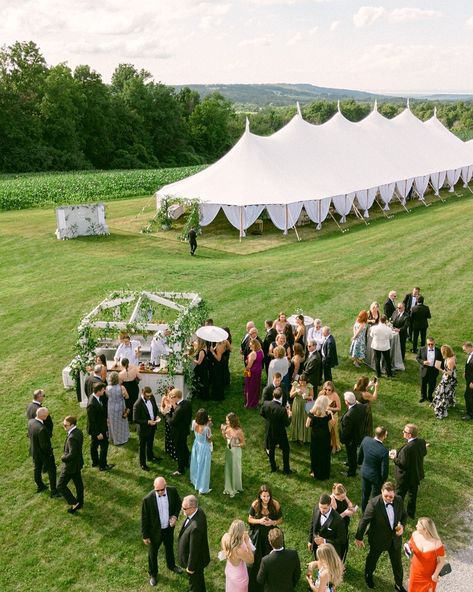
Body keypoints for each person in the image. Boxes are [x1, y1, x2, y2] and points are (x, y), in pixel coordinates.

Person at [354, 481, 407, 592]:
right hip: (378, 538)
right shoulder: (373, 503)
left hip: (394, 539)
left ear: (395, 494)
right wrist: (359, 537)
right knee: (373, 558)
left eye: (391, 496)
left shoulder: (399, 500)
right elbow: (364, 521)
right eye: (386, 496)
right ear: (381, 492)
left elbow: (404, 515)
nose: (388, 498)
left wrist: (402, 526)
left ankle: (398, 584)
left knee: (397, 563)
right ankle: (368, 575)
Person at [141, 476, 183, 587]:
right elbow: (144, 519)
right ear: (154, 488)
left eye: (162, 489)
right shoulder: (148, 499)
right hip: (154, 532)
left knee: (169, 547)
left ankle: (171, 565)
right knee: (152, 553)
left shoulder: (172, 491)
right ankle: (153, 574)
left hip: (168, 529)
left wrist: (174, 516)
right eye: (157, 490)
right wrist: (145, 536)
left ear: (166, 486)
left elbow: (179, 503)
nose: (160, 492)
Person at [248, 484, 283, 592]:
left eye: (268, 496)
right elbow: (249, 519)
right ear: (260, 496)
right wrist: (259, 521)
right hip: (259, 534)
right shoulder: (255, 505)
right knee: (258, 556)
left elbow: (281, 519)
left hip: (271, 533)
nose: (266, 498)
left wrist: (273, 522)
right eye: (264, 496)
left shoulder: (275, 504)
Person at [392, 423, 427, 519]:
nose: (403, 432)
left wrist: (394, 458)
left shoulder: (407, 448)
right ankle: (411, 513)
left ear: (409, 435)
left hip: (405, 477)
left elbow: (402, 463)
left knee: (399, 496)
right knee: (413, 495)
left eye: (404, 431)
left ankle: (397, 513)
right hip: (416, 474)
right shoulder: (421, 442)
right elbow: (424, 452)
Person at [178, 494, 210, 592]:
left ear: (192, 508)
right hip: (199, 559)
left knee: (195, 583)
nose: (182, 510)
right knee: (199, 581)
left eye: (184, 508)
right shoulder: (199, 512)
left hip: (195, 563)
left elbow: (194, 549)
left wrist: (190, 567)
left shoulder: (195, 527)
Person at [407, 517, 446, 592]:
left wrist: (435, 575)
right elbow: (410, 543)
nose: (416, 526)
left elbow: (442, 561)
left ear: (425, 530)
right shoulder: (415, 534)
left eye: (418, 525)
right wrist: (408, 546)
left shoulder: (437, 544)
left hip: (429, 576)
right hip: (415, 572)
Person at [257, 527, 300, 592]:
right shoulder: (293, 555)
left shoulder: (266, 560)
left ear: (270, 542)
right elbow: (297, 574)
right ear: (282, 540)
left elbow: (260, 579)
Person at [260, 388, 292, 474]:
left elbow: (262, 413)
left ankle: (273, 467)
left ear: (273, 395)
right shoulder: (282, 410)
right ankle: (286, 469)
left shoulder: (266, 404)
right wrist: (289, 415)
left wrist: (269, 421)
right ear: (281, 397)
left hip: (270, 431)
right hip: (280, 432)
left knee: (271, 449)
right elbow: (287, 424)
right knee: (286, 449)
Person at [28, 407, 58, 496]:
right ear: (43, 416)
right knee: (52, 470)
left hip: (34, 451)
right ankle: (54, 491)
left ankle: (40, 485)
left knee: (37, 468)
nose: (48, 416)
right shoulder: (42, 429)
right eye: (47, 415)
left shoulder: (30, 422)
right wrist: (50, 453)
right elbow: (45, 446)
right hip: (44, 455)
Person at [358, 426, 389, 511]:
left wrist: (360, 463)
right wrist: (384, 480)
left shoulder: (366, 440)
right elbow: (384, 471)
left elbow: (360, 456)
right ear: (384, 436)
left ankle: (364, 510)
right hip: (376, 478)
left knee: (365, 493)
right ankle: (373, 512)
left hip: (365, 472)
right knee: (375, 498)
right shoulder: (384, 451)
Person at [57, 415, 84, 514]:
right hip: (77, 463)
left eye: (65, 425)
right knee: (78, 483)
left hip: (70, 466)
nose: (64, 427)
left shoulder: (72, 437)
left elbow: (72, 454)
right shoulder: (78, 431)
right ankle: (80, 502)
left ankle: (74, 503)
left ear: (72, 425)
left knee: (60, 486)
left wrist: (63, 458)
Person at [308, 493, 347, 561]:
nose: (322, 510)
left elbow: (342, 540)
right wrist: (310, 540)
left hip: (330, 552)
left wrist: (325, 541)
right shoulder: (316, 508)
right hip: (316, 547)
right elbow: (312, 524)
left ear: (330, 505)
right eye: (320, 507)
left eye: (325, 508)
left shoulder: (338, 520)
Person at [219, 519, 254, 592]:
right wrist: (247, 542)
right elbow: (251, 560)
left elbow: (224, 549)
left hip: (229, 571)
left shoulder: (225, 537)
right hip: (239, 577)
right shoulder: (239, 549)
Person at [86, 382, 114, 471]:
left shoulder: (97, 397)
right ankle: (103, 465)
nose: (104, 391)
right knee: (104, 446)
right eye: (103, 390)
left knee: (94, 445)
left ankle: (95, 462)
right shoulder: (92, 404)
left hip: (99, 425)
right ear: (98, 391)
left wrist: (105, 419)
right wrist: (98, 433)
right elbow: (92, 421)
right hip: (97, 429)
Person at [133, 386, 161, 471]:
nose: (149, 397)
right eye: (147, 396)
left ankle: (150, 457)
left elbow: (155, 408)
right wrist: (147, 422)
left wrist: (156, 416)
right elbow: (135, 419)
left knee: (150, 443)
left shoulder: (151, 397)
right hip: (143, 429)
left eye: (150, 395)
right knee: (142, 447)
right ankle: (143, 464)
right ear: (143, 394)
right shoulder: (137, 404)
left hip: (152, 425)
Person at [339, 391, 366, 477]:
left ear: (347, 402)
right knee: (352, 453)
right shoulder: (361, 407)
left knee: (351, 453)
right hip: (358, 433)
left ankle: (351, 472)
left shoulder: (349, 416)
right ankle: (350, 462)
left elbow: (346, 431)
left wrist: (342, 439)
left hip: (351, 438)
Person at [166, 388, 192, 476]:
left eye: (172, 397)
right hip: (185, 430)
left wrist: (166, 414)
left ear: (176, 397)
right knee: (184, 447)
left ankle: (180, 469)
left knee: (179, 450)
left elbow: (172, 422)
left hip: (178, 433)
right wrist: (174, 406)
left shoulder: (179, 409)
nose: (171, 398)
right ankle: (186, 463)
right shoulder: (187, 403)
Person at [306, 396, 333, 480]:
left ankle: (315, 472)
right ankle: (325, 473)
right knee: (325, 454)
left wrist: (310, 414)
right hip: (325, 437)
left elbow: (307, 425)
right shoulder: (327, 415)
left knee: (315, 454)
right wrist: (330, 414)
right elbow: (332, 424)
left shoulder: (312, 415)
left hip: (315, 437)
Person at [330, 484, 357, 562]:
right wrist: (345, 513)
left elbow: (349, 502)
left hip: (344, 524)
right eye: (341, 497)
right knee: (338, 546)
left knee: (344, 545)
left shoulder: (343, 495)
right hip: (336, 528)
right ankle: (336, 563)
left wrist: (351, 507)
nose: (343, 498)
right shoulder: (332, 501)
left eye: (344, 496)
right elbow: (332, 520)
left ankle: (341, 562)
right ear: (335, 495)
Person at [221, 412, 245, 498]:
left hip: (236, 452)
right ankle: (228, 486)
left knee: (235, 468)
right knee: (228, 468)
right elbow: (225, 438)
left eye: (227, 420)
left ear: (232, 421)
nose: (226, 422)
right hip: (228, 451)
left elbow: (243, 443)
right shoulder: (227, 428)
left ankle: (236, 487)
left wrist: (236, 445)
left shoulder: (239, 431)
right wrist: (223, 432)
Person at [190, 408, 212, 494]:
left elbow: (194, 430)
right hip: (204, 448)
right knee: (204, 467)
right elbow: (209, 439)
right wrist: (209, 426)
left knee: (195, 463)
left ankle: (195, 480)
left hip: (196, 445)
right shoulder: (207, 429)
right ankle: (202, 487)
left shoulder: (194, 423)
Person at [432, 344, 457, 419]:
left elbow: (449, 373)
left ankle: (441, 408)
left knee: (443, 393)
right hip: (448, 377)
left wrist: (439, 369)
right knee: (446, 392)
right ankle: (448, 403)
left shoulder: (450, 361)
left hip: (448, 379)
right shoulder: (452, 356)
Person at [416, 338, 443, 403]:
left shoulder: (438, 351)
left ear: (434, 343)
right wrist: (423, 362)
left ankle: (430, 396)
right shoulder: (422, 349)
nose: (430, 345)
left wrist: (441, 367)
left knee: (432, 384)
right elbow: (417, 358)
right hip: (424, 369)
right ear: (426, 343)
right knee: (423, 384)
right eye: (429, 344)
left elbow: (441, 360)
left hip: (433, 370)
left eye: (432, 344)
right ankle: (423, 396)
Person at [106, 371, 129, 445]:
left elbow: (107, 396)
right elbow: (127, 397)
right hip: (120, 406)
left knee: (113, 423)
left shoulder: (107, 388)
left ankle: (113, 438)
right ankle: (122, 438)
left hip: (111, 407)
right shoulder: (121, 387)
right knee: (122, 422)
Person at [318, 382, 342, 453]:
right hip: (322, 415)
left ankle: (334, 446)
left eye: (329, 390)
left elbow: (339, 408)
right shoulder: (321, 394)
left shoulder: (335, 395)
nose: (327, 391)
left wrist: (330, 409)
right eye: (326, 389)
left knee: (332, 432)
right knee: (323, 432)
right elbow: (317, 404)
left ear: (332, 389)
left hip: (332, 416)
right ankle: (325, 445)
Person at [289, 375, 313, 443]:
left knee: (304, 419)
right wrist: (296, 392)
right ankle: (295, 437)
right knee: (296, 418)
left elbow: (312, 397)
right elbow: (290, 395)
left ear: (306, 381)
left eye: (304, 381)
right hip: (297, 404)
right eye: (301, 381)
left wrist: (307, 397)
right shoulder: (295, 385)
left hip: (306, 404)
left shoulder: (309, 386)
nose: (302, 383)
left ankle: (304, 438)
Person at [245, 338, 264, 409]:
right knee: (256, 387)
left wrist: (245, 372)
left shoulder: (253, 354)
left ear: (254, 345)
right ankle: (255, 401)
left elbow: (249, 366)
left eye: (250, 345)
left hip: (251, 372)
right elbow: (259, 360)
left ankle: (249, 403)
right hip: (258, 371)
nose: (249, 347)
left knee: (248, 387)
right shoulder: (261, 351)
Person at [160, 389, 178, 461]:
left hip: (173, 419)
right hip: (167, 418)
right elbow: (161, 407)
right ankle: (168, 449)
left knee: (173, 434)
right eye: (169, 393)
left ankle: (173, 451)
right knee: (168, 433)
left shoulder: (175, 399)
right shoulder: (164, 398)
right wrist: (163, 411)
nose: (170, 395)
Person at [462, 341, 473, 420]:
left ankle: (470, 414)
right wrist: (465, 372)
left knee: (468, 396)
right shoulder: (470, 355)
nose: (464, 351)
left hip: (472, 381)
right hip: (468, 379)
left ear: (469, 347)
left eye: (465, 349)